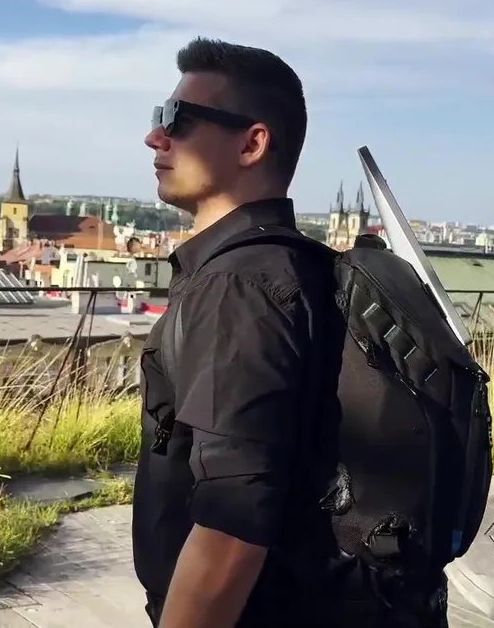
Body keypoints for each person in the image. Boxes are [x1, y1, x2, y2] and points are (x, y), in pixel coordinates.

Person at [133, 37, 344, 627]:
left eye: (179, 118)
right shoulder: (301, 264)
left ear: (252, 144)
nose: (155, 136)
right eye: (160, 115)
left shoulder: (238, 286)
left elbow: (232, 525)